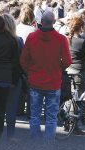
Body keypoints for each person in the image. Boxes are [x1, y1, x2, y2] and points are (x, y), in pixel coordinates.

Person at [20, 10, 72, 140]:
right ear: (54, 22)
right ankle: (48, 143)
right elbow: (67, 61)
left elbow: (23, 60)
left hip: (35, 81)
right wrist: (57, 69)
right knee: (51, 116)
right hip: (53, 82)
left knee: (35, 114)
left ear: (41, 22)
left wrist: (30, 72)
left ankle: (35, 139)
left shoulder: (32, 37)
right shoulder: (61, 39)